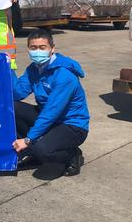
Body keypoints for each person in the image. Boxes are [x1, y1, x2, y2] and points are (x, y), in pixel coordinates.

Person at [11, 29, 89, 177]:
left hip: (72, 125)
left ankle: (72, 155)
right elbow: (17, 94)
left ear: (52, 49)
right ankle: (33, 150)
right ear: (28, 49)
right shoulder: (33, 69)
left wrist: (28, 140)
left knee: (42, 150)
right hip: (50, 119)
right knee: (13, 108)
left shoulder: (64, 75)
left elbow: (51, 112)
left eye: (42, 48)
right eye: (33, 48)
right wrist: (8, 68)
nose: (37, 52)